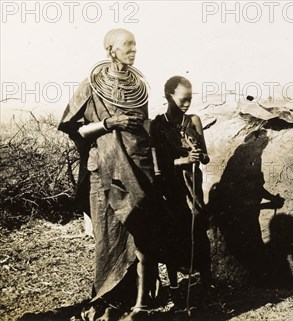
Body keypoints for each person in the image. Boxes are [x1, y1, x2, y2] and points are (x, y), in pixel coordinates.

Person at [58, 28, 161, 320]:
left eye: (135, 45)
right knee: (109, 238)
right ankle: (109, 301)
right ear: (110, 50)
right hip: (103, 171)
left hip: (137, 171)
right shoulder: (90, 85)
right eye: (127, 45)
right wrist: (108, 123)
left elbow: (143, 130)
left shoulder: (138, 88)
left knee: (139, 235)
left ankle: (141, 302)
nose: (133, 49)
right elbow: (73, 128)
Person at [149, 76, 212, 296]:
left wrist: (199, 154)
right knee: (173, 232)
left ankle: (206, 283)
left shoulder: (194, 121)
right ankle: (175, 286)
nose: (187, 104)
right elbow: (156, 164)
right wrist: (181, 161)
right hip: (171, 187)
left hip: (193, 184)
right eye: (183, 99)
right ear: (169, 96)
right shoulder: (157, 125)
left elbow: (205, 157)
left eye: (190, 99)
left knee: (198, 229)